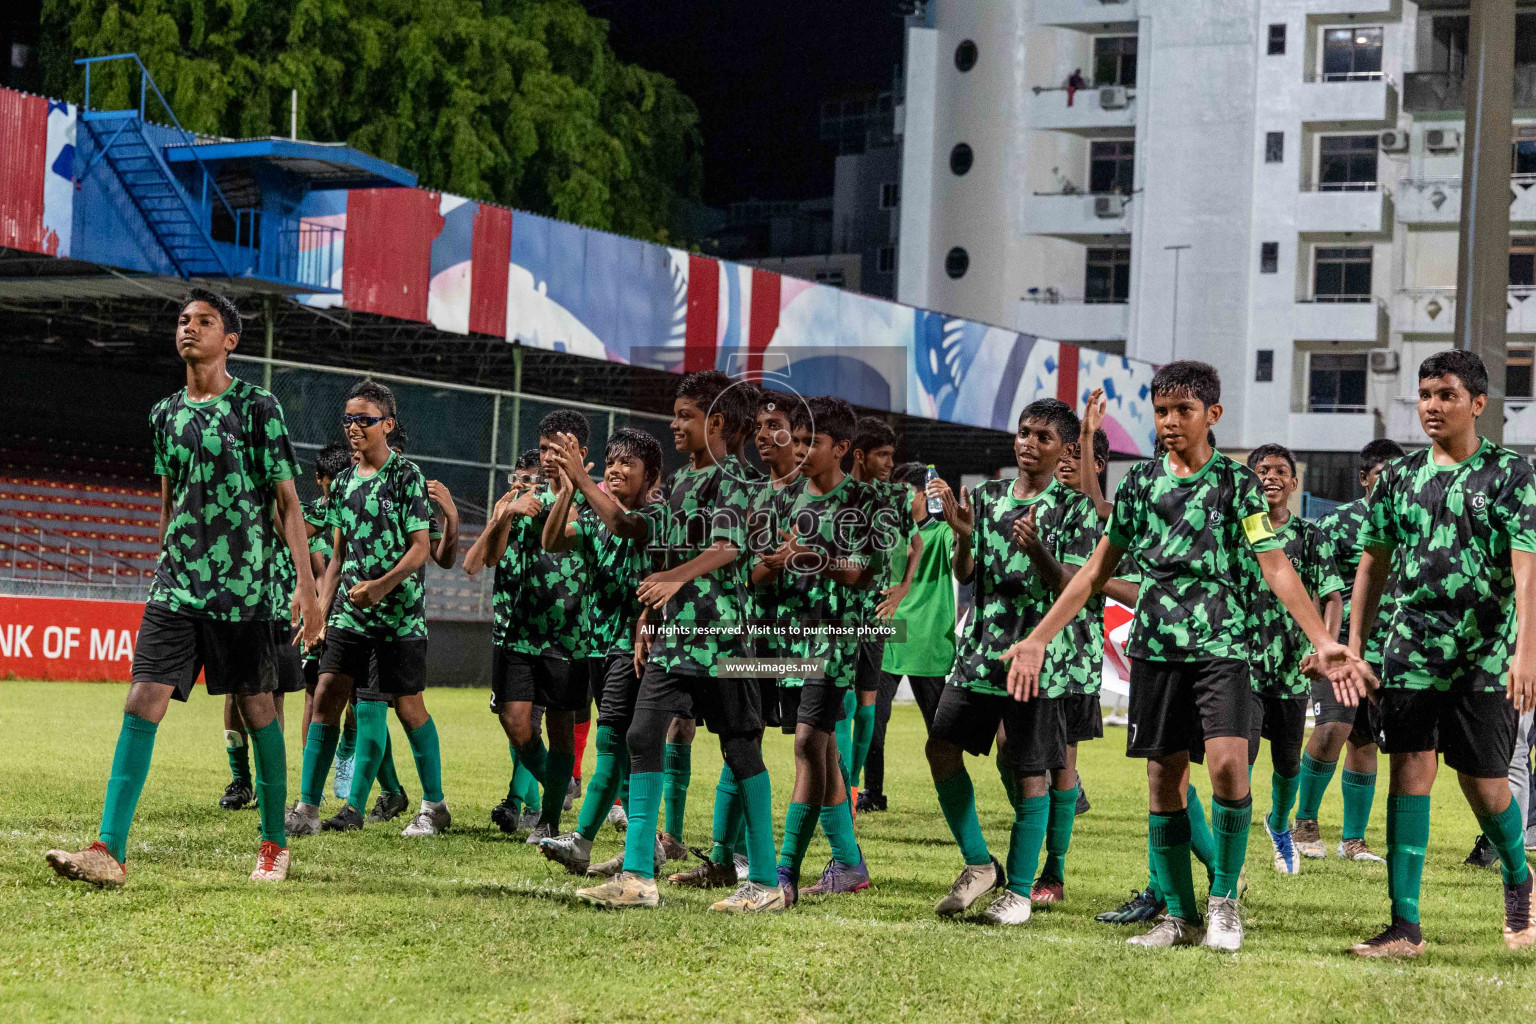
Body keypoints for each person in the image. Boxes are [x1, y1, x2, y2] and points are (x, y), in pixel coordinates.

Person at [1003, 360, 1368, 951]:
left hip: (1223, 649)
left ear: (1212, 415)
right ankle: (1179, 915)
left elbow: (1274, 564)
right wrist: (1040, 636)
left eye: (1184, 411)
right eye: (1162, 411)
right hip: (1155, 652)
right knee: (1163, 781)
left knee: (1227, 767)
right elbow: (1097, 570)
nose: (1171, 421)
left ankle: (1225, 901)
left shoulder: (1235, 484)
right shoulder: (1143, 484)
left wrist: (1323, 640)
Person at [46, 288, 322, 887]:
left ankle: (274, 843)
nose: (188, 329)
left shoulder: (257, 407)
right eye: (182, 320)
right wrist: (163, 561)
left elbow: (288, 502)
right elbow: (169, 502)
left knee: (255, 709)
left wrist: (308, 588)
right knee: (141, 697)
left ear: (231, 340)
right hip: (176, 588)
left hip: (244, 591)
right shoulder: (164, 414)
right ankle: (108, 849)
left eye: (204, 321)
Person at [1340, 350, 1536, 957]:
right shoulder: (1398, 477)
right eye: (1425, 394)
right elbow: (1372, 563)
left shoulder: (1511, 473)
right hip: (1411, 649)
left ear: (1477, 403)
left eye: (1446, 395)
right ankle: (1405, 926)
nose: (1432, 406)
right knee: (1410, 773)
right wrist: (1354, 646)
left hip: (1485, 653)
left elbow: (1527, 570)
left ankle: (1518, 877)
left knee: (1485, 784)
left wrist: (1525, 654)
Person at [576, 370, 783, 912]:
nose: (674, 423)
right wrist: (648, 618)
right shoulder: (683, 483)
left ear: (714, 422)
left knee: (741, 751)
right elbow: (637, 532)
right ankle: (639, 877)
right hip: (674, 640)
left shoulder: (738, 478)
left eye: (685, 415)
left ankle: (764, 882)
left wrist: (675, 578)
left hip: (723, 641)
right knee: (643, 736)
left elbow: (729, 547)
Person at [922, 399, 1097, 926]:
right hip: (981, 650)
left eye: (1043, 437)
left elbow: (1075, 586)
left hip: (1037, 656)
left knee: (1030, 771)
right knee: (939, 747)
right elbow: (967, 573)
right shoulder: (989, 496)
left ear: (1066, 449)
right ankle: (979, 863)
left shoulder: (1075, 508)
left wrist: (1040, 551)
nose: (1028, 443)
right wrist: (963, 536)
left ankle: (1020, 893)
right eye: (1024, 432)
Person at [283, 381, 450, 839]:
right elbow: (337, 556)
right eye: (349, 420)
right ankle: (307, 808)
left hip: (399, 619)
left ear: (387, 425)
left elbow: (421, 550)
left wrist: (379, 587)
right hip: (350, 618)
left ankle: (434, 805)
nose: (354, 427)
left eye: (365, 420)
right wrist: (319, 609)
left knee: (410, 708)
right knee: (325, 700)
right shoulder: (341, 483)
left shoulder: (407, 477)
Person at [669, 387, 803, 889]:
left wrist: (772, 563)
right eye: (761, 426)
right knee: (741, 741)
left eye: (778, 428)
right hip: (745, 634)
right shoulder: (742, 484)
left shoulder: (799, 491)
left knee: (805, 746)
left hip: (785, 639)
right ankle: (727, 859)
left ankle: (803, 863)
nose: (767, 435)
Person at [756, 397, 877, 905]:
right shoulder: (786, 499)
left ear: (842, 448)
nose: (800, 451)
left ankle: (782, 873)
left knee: (808, 743)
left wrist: (802, 555)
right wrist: (776, 564)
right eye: (797, 441)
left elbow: (855, 570)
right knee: (820, 746)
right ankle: (849, 863)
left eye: (812, 443)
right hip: (790, 641)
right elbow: (757, 572)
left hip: (837, 643)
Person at [535, 428, 666, 875]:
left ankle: (583, 841)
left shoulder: (654, 513)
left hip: (634, 645)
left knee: (612, 742)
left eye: (628, 463)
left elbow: (622, 525)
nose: (615, 469)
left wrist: (584, 484)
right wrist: (569, 489)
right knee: (627, 745)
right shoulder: (593, 514)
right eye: (612, 461)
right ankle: (648, 846)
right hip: (597, 644)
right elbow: (551, 541)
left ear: (651, 477)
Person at [476, 411, 593, 845]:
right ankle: (554, 792)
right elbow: (489, 558)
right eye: (543, 448)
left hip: (570, 635)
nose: (547, 457)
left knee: (562, 728)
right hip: (521, 632)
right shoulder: (526, 498)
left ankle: (548, 820)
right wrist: (506, 513)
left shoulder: (595, 502)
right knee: (515, 721)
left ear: (580, 453)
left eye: (557, 449)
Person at [1294, 439, 1404, 864]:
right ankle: (1303, 822)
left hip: (1389, 653)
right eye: (1382, 477)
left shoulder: (1411, 524)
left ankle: (1353, 840)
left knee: (1366, 741)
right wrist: (1320, 644)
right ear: (1363, 478)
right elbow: (1315, 590)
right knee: (1331, 731)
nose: (1390, 485)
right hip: (1339, 651)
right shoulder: (1336, 524)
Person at [1243, 444, 1344, 875]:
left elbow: (1334, 596)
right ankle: (1227, 856)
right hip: (1239, 665)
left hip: (1291, 670)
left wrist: (1324, 649)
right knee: (1235, 761)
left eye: (1280, 471)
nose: (1270, 476)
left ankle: (1279, 825)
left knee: (1287, 764)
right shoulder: (1237, 530)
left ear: (1294, 482)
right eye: (1262, 470)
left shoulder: (1311, 535)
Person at [866, 461, 956, 811]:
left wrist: (954, 509)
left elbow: (967, 539)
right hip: (891, 637)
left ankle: (951, 795)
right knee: (873, 721)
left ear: (921, 494)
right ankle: (873, 794)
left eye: (903, 490)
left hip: (929, 640)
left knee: (941, 732)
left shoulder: (944, 532)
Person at [467, 450, 548, 833]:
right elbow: (473, 564)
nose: (521, 487)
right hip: (505, 637)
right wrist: (501, 517)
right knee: (513, 724)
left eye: (529, 481)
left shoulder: (551, 519)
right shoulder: (509, 520)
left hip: (543, 639)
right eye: (516, 480)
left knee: (529, 722)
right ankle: (534, 803)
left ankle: (522, 801)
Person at [847, 418, 918, 814]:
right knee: (841, 705)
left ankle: (854, 793)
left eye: (892, 455)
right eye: (882, 454)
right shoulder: (837, 494)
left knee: (866, 704)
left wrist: (903, 587)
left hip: (874, 616)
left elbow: (916, 544)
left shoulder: (893, 499)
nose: (890, 462)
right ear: (860, 455)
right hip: (838, 615)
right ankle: (839, 791)